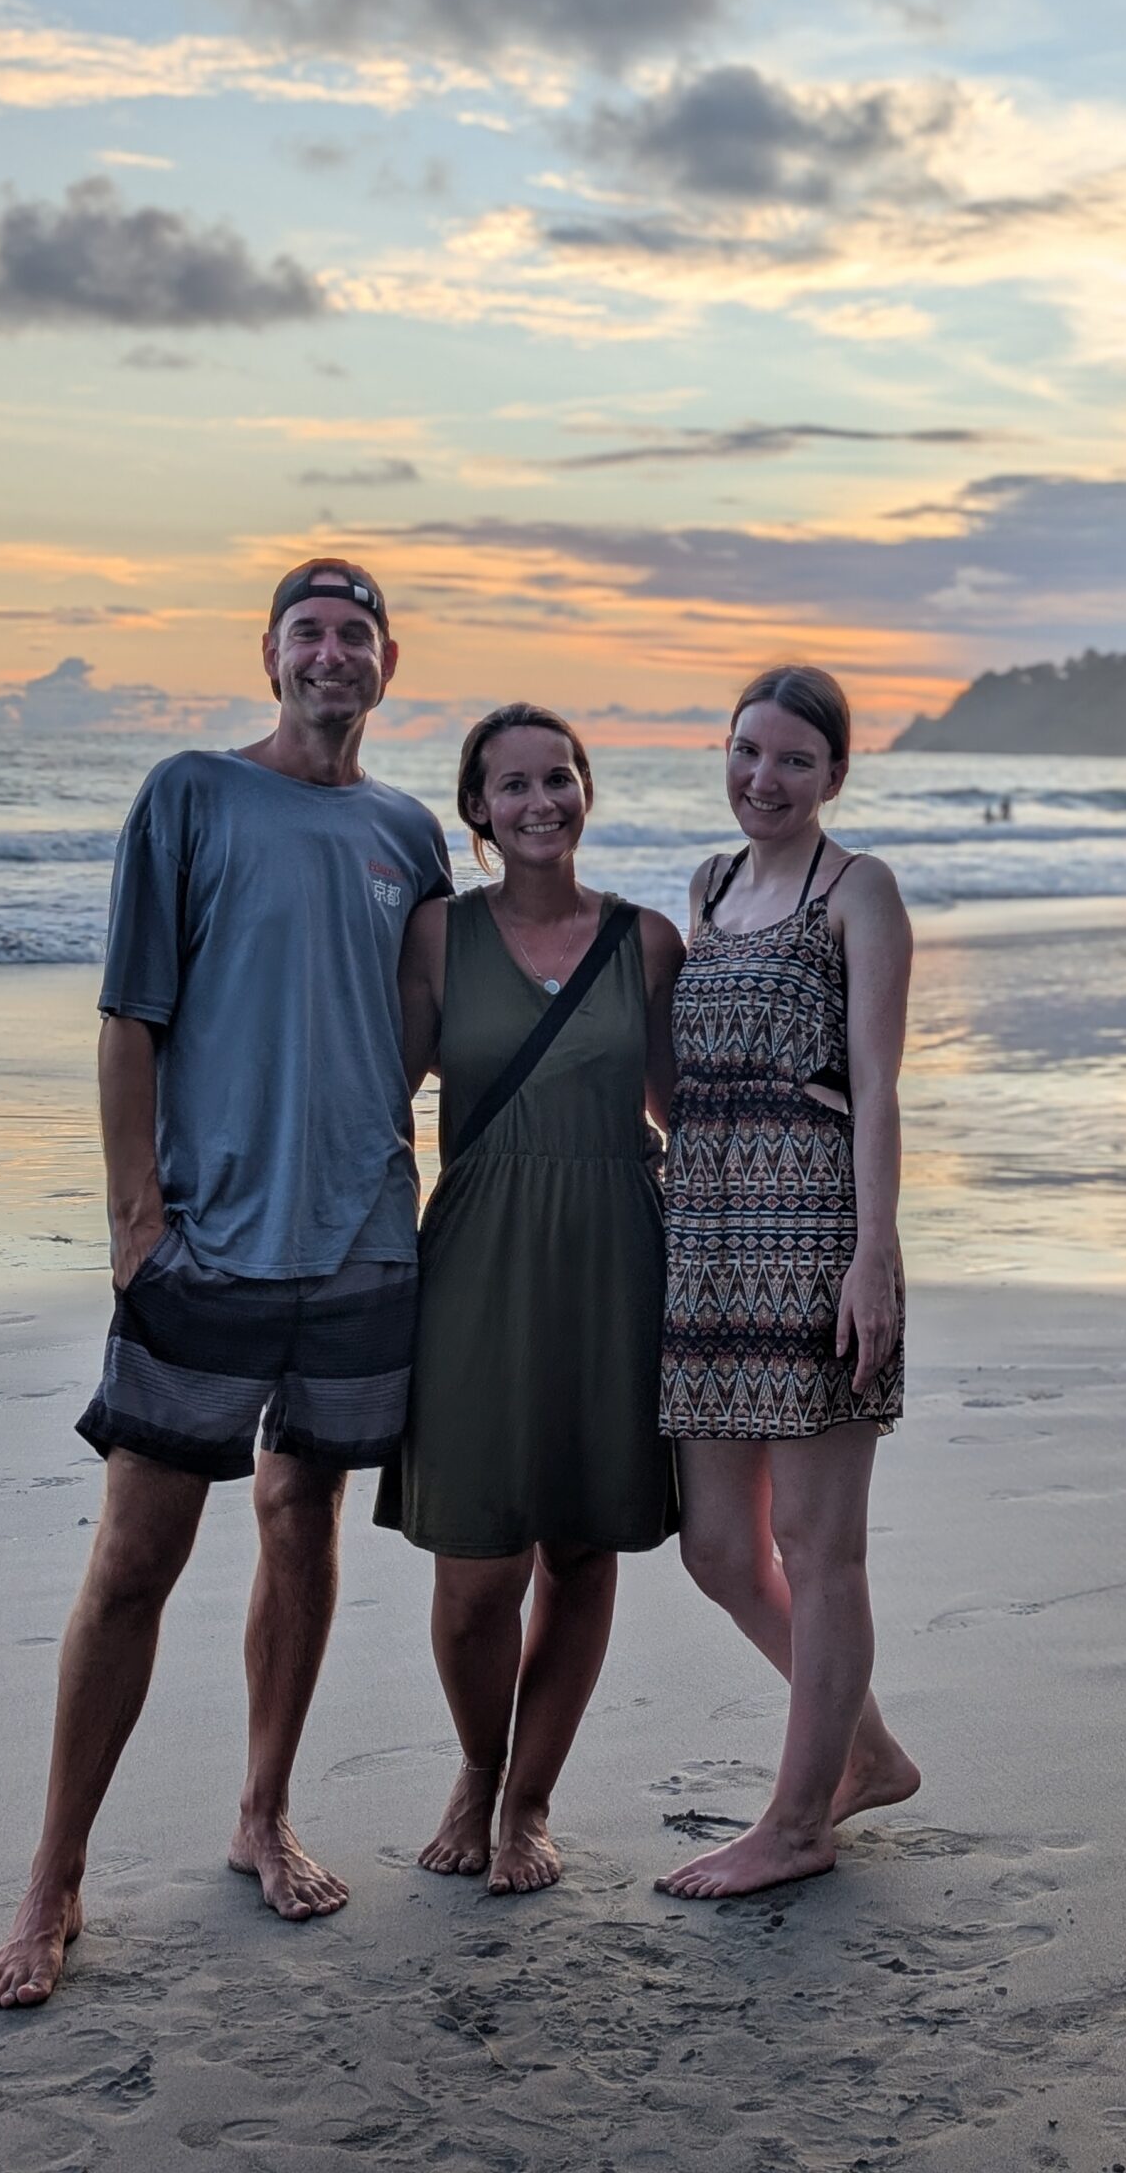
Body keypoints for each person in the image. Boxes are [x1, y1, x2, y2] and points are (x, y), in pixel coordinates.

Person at [0, 560, 452, 2010]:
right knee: (135, 1560)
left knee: (304, 1522)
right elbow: (129, 1017)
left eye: (354, 634)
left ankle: (261, 1813)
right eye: (309, 632)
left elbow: (423, 1025)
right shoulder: (189, 794)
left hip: (360, 1244)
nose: (331, 653)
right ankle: (53, 1882)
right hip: (207, 1244)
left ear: (387, 664)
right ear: (269, 655)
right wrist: (135, 1219)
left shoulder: (409, 831)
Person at [375, 706, 682, 1893]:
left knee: (582, 1549)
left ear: (585, 790)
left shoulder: (646, 941)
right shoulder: (436, 935)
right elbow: (380, 1094)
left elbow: (684, 1114)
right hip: (475, 1263)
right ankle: (476, 1764)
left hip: (615, 1261)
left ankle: (529, 1801)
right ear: (477, 809)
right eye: (513, 785)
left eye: (558, 777)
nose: (540, 801)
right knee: (474, 1574)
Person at [656, 665, 919, 1899]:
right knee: (718, 1548)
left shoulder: (855, 889)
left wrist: (874, 1256)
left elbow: (877, 1087)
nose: (763, 778)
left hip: (814, 1236)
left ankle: (799, 1819)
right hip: (706, 1243)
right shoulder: (707, 886)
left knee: (817, 1546)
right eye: (746, 750)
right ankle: (864, 1750)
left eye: (794, 760)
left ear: (834, 776)